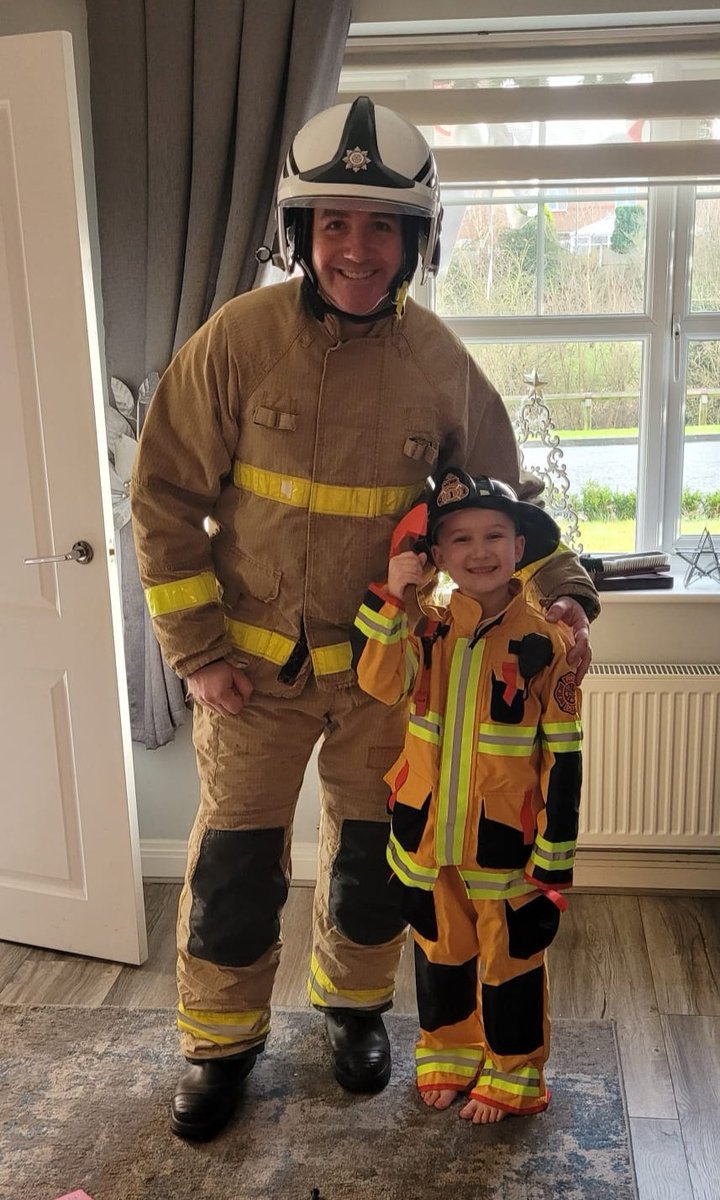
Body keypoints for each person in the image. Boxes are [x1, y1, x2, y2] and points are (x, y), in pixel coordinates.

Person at [130, 95, 599, 1142]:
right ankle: (219, 1043)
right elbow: (162, 497)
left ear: (413, 239)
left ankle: (352, 1012)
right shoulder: (237, 340)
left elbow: (505, 511)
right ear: (303, 233)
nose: (357, 248)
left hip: (391, 681)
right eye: (335, 222)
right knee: (237, 867)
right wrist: (197, 654)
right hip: (245, 679)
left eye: (382, 225)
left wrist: (566, 591)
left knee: (374, 860)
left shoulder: (437, 362)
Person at [351, 466, 582, 1123]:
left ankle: (513, 1077)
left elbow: (563, 756)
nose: (478, 552)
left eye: (493, 536)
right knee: (439, 951)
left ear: (519, 547)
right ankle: (447, 1056)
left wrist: (554, 856)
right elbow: (380, 684)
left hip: (503, 841)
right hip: (427, 834)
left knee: (512, 962)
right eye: (459, 540)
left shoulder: (547, 642)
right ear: (439, 556)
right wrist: (394, 596)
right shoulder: (423, 628)